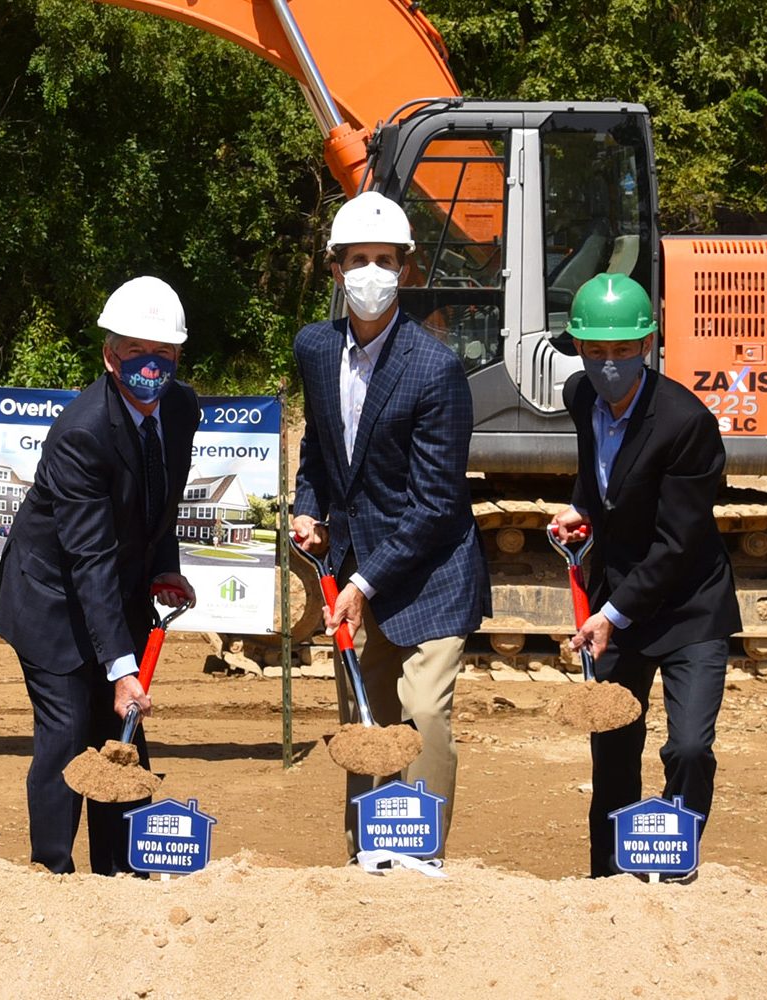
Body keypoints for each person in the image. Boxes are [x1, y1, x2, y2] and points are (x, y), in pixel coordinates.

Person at [290, 190, 489, 857]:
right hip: (360, 564)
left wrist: (363, 584)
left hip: (431, 573)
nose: (371, 273)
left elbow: (436, 504)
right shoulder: (316, 348)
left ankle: (421, 853)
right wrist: (307, 506)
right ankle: (367, 852)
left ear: (405, 270)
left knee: (425, 714)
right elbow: (320, 446)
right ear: (336, 268)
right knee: (364, 718)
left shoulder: (435, 370)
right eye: (357, 259)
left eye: (384, 259)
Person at [0, 276, 198, 875]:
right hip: (51, 597)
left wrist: (165, 567)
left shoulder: (182, 407)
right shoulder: (82, 433)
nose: (151, 366)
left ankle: (121, 871)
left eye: (164, 353)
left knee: (123, 732)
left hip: (118, 586)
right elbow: (90, 558)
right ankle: (51, 872)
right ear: (111, 357)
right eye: (136, 352)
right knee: (68, 728)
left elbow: (161, 499)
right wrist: (122, 667)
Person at [546, 274, 739, 878]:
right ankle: (609, 874)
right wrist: (582, 505)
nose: (608, 364)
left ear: (648, 344)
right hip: (620, 599)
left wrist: (609, 615)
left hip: (689, 608)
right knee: (613, 741)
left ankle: (675, 863)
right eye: (596, 350)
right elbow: (598, 469)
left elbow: (677, 543)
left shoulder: (686, 424)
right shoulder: (581, 396)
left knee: (688, 747)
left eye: (623, 350)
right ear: (578, 347)